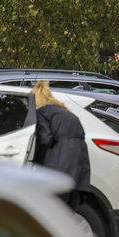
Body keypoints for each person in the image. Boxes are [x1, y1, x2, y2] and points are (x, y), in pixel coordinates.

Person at [31, 81, 91, 210]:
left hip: (60, 156)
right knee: (70, 203)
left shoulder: (41, 112)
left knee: (55, 204)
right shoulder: (65, 112)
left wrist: (36, 162)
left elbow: (45, 139)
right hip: (80, 158)